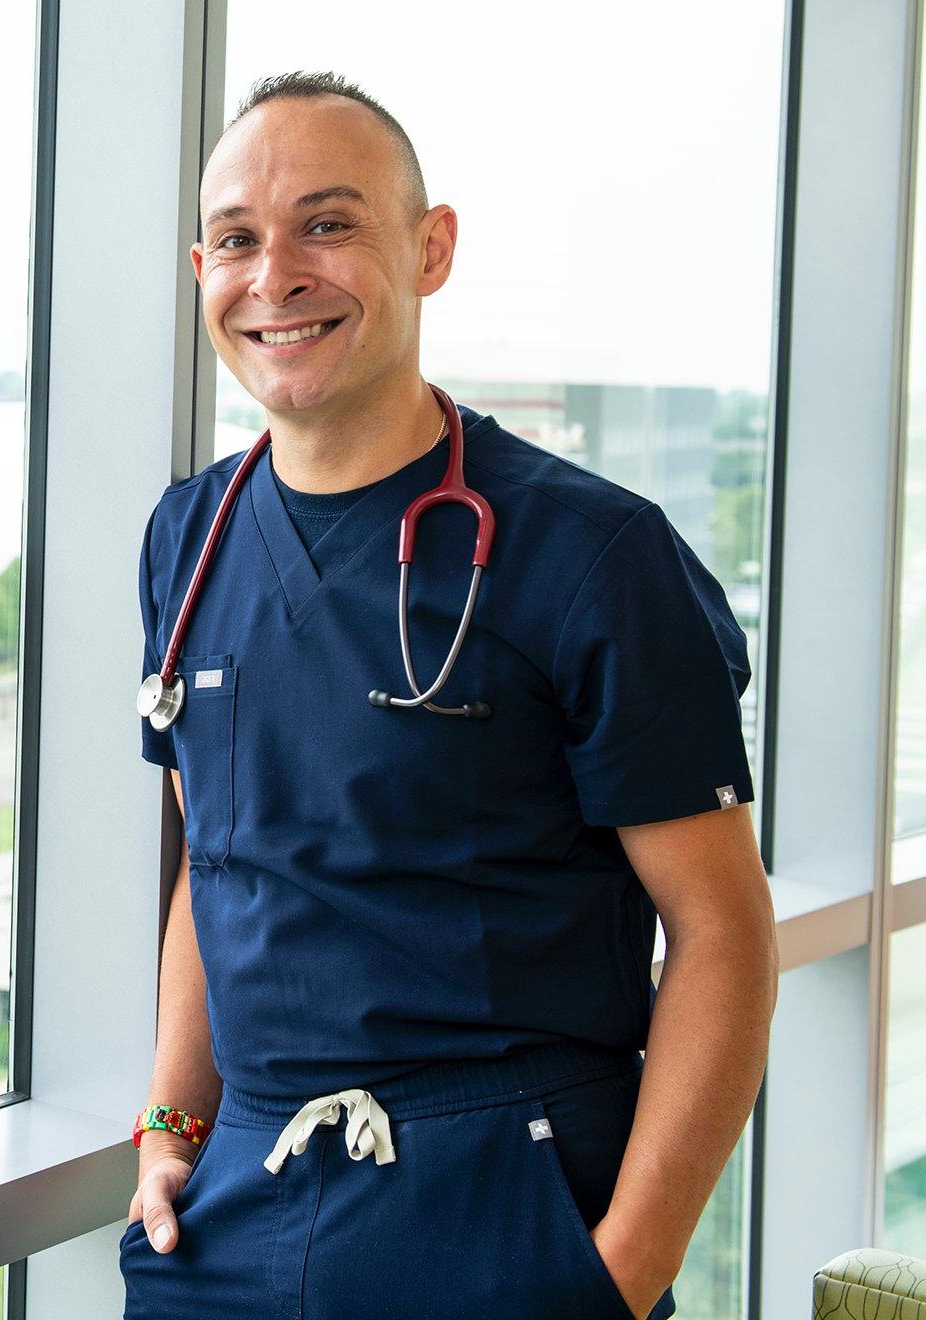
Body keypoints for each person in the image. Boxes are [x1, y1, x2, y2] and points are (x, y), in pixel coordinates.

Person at [119, 71, 779, 1320]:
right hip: (230, 1215)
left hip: (506, 1200)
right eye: (241, 241)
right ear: (200, 266)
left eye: (328, 224)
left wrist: (622, 1269)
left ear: (431, 250)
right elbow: (218, 864)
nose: (277, 277)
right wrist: (169, 1121)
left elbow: (721, 935)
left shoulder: (589, 556)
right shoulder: (185, 537)